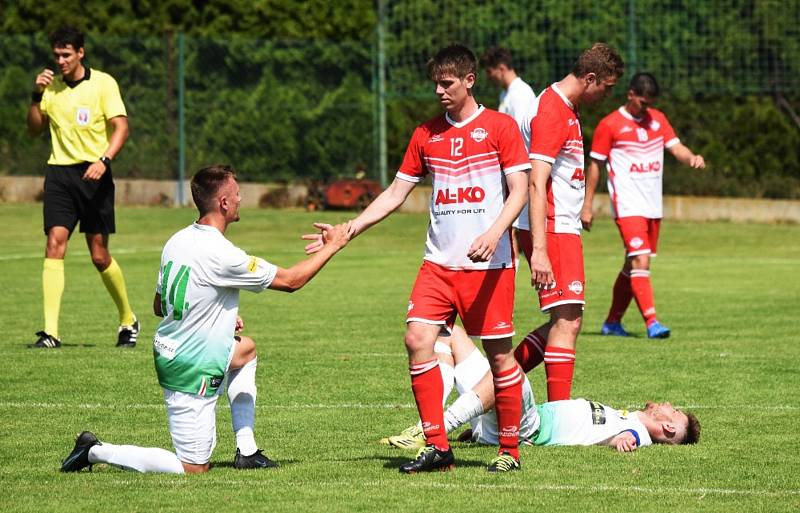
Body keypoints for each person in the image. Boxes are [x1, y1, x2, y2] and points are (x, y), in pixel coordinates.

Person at [306, 45, 531, 472]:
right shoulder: (426, 134)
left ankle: (509, 451)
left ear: (469, 80)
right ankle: (438, 447)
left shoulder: (500, 127)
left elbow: (520, 189)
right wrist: (347, 229)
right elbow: (395, 193)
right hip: (438, 266)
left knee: (500, 357)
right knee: (417, 340)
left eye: (447, 83)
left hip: (489, 268)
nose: (439, 91)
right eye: (435, 84)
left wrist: (494, 232)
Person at [61, 165, 351, 474]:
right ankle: (94, 450)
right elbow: (292, 281)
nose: (241, 198)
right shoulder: (223, 253)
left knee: (245, 351)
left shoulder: (177, 240)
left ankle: (247, 450)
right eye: (237, 194)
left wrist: (218, 312)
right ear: (224, 203)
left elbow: (161, 305)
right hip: (189, 365)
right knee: (192, 468)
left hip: (174, 348)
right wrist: (334, 244)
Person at [386, 326, 701, 452]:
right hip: (509, 418)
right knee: (449, 331)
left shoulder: (640, 433)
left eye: (673, 410)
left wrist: (624, 441)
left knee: (511, 372)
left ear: (670, 426)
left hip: (527, 428)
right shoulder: (628, 416)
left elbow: (630, 439)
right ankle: (433, 422)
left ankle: (430, 429)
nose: (668, 403)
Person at [515, 43, 625, 402]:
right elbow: (536, 181)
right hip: (553, 229)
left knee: (562, 322)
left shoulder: (567, 108)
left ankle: (494, 391)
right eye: (606, 87)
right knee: (568, 321)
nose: (607, 96)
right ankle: (558, 414)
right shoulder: (551, 110)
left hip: (562, 227)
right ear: (590, 78)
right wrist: (540, 251)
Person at [26, 26, 137, 348]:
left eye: (66, 54)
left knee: (99, 255)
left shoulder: (103, 83)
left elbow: (122, 127)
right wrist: (35, 96)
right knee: (54, 243)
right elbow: (34, 128)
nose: (60, 60)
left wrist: (104, 160)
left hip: (95, 175)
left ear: (80, 53)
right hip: (59, 173)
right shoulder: (51, 88)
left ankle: (128, 319)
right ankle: (50, 332)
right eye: (56, 54)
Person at [582, 73, 706, 339]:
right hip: (627, 204)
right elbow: (595, 166)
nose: (646, 109)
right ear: (630, 95)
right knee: (641, 258)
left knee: (632, 264)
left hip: (652, 205)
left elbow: (677, 148)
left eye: (650, 104)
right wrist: (587, 204)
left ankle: (612, 323)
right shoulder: (610, 124)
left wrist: (691, 158)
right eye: (642, 103)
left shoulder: (658, 120)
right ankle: (652, 323)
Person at [479, 46, 538, 269]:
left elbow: (525, 139)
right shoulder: (506, 94)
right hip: (506, 173)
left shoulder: (521, 95)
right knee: (509, 234)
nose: (489, 77)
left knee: (513, 234)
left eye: (490, 71)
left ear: (501, 68)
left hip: (519, 174)